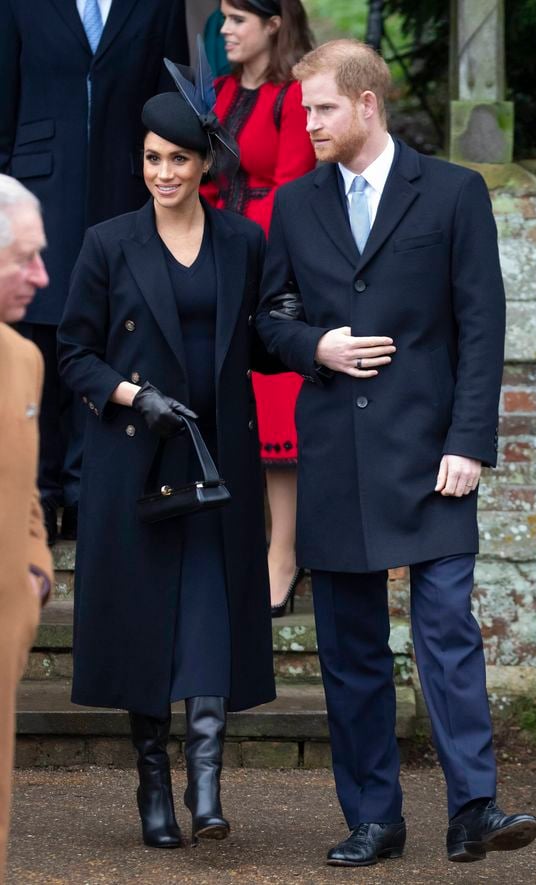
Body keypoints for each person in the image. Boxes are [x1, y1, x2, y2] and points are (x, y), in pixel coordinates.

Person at [256, 39, 536, 867]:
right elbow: (268, 322)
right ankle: (375, 818)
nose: (306, 122)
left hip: (432, 458)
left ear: (367, 103)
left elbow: (483, 327)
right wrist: (319, 346)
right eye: (303, 110)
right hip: (336, 457)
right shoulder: (295, 204)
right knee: (349, 650)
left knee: (448, 631)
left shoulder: (452, 193)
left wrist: (470, 444)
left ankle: (473, 810)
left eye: (321, 108)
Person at [57, 58, 276, 850]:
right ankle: (154, 784)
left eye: (177, 158)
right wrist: (131, 396)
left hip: (218, 460)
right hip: (134, 460)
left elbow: (268, 332)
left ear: (205, 163)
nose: (162, 172)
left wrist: (323, 346)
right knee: (145, 624)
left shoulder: (243, 242)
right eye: (151, 158)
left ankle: (206, 786)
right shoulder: (108, 243)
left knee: (211, 617)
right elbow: (75, 352)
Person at [0, 0, 189, 545]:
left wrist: (163, 185)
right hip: (37, 191)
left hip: (123, 189)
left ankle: (87, 494)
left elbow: (169, 97)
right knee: (38, 335)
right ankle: (39, 491)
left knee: (108, 337)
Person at [201, 0, 316, 614]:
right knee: (220, 399)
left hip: (269, 259)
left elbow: (298, 187)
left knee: (274, 410)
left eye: (237, 20)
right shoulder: (215, 91)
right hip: (213, 252)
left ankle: (283, 555)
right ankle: (233, 549)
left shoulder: (294, 97)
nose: (225, 31)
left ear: (273, 23)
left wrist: (269, 264)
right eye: (222, 19)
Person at [0, 175, 52, 884]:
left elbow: (27, 488)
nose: (44, 276)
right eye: (24, 257)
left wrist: (37, 566)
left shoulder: (26, 359)